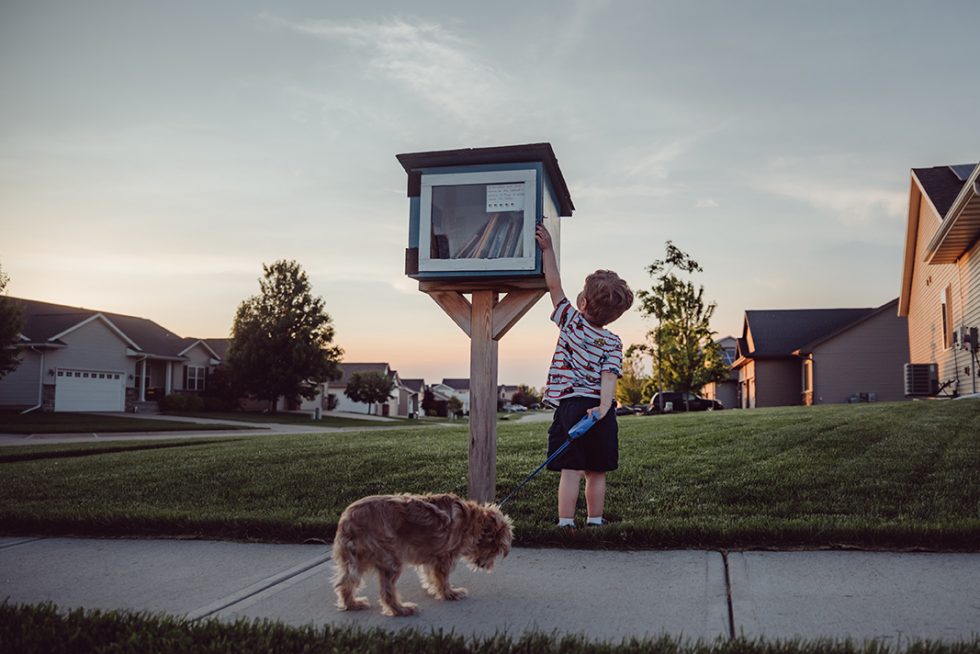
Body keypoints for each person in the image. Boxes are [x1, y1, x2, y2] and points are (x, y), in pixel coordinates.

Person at [535, 224, 634, 529]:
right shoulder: (614, 342)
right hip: (599, 411)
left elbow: (554, 286)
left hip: (571, 407)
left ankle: (566, 522)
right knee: (596, 471)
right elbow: (609, 375)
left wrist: (548, 249)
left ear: (583, 303)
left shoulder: (571, 322)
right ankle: (594, 520)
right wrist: (604, 408)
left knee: (571, 469)